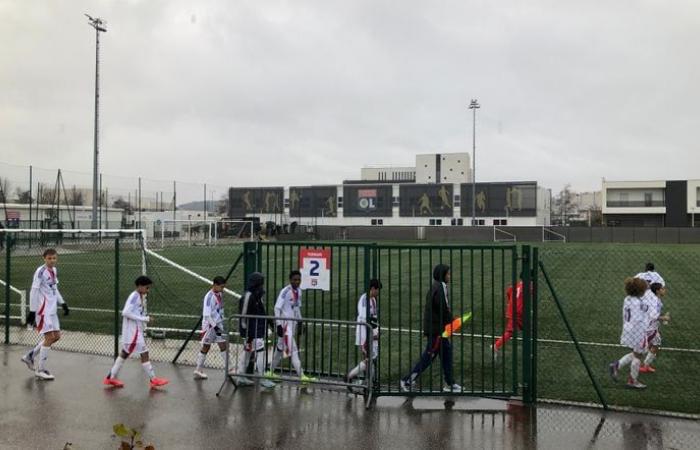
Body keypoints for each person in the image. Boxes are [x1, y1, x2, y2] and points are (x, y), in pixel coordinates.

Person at [400, 264, 461, 393]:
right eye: (448, 274)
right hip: (436, 330)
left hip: (438, 329)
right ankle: (407, 380)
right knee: (428, 357)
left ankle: (450, 383)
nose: (449, 276)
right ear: (442, 275)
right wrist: (453, 320)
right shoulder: (439, 288)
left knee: (446, 354)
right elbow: (442, 309)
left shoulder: (438, 287)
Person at [103, 276, 169, 389]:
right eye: (147, 288)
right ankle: (153, 379)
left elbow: (134, 313)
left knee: (124, 354)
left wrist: (144, 318)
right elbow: (125, 312)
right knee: (144, 353)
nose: (148, 290)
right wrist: (145, 319)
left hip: (133, 333)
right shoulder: (134, 297)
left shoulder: (138, 296)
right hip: (133, 334)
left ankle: (110, 378)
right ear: (140, 286)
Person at [21, 248, 70, 380]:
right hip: (43, 311)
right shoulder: (40, 272)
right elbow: (33, 291)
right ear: (44, 258)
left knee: (56, 336)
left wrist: (63, 303)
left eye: (54, 258)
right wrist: (32, 311)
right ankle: (40, 369)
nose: (52, 260)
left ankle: (29, 356)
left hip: (52, 310)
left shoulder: (53, 270)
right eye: (49, 258)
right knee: (49, 338)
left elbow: (54, 288)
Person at [267, 270, 314, 384]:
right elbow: (276, 308)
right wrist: (278, 325)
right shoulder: (285, 292)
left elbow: (297, 308)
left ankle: (270, 372)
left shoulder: (299, 291)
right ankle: (301, 376)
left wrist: (301, 321)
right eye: (295, 280)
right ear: (290, 280)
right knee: (293, 350)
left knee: (279, 350)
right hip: (285, 326)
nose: (297, 282)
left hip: (292, 325)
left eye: (299, 280)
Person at [608, 277, 649, 389]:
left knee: (636, 352)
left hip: (628, 330)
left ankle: (616, 365)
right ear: (640, 291)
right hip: (638, 331)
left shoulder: (628, 299)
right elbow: (640, 317)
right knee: (638, 355)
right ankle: (632, 380)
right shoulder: (638, 303)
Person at [236, 272, 275, 388]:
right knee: (260, 352)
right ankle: (262, 378)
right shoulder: (248, 296)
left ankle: (241, 376)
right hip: (251, 331)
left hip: (256, 329)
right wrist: (245, 332)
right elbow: (243, 315)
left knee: (247, 353)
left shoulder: (257, 295)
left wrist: (269, 322)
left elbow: (262, 311)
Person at [346, 279, 381, 390]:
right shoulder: (364, 300)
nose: (378, 292)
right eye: (377, 290)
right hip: (365, 334)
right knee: (368, 359)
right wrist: (371, 334)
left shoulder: (373, 300)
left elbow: (374, 318)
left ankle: (369, 382)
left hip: (372, 333)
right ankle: (350, 376)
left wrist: (377, 331)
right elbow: (363, 318)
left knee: (372, 359)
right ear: (372, 288)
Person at [193, 276, 228, 380]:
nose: (222, 289)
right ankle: (198, 370)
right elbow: (207, 315)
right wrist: (215, 327)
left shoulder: (219, 293)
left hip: (218, 324)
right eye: (221, 287)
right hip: (210, 326)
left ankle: (229, 369)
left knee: (223, 345)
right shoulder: (209, 297)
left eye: (223, 287)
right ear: (215, 285)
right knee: (206, 347)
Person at [493, 275, 529, 361]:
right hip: (518, 313)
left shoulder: (516, 285)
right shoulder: (528, 286)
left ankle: (496, 345)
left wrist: (511, 302)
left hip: (513, 311)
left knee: (523, 328)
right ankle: (496, 345)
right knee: (511, 331)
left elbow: (509, 291)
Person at [640, 282, 670, 373]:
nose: (664, 290)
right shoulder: (655, 301)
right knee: (641, 350)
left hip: (653, 328)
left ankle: (646, 365)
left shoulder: (656, 299)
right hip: (649, 329)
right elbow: (653, 316)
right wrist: (664, 318)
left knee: (656, 345)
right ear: (657, 291)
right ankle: (620, 364)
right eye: (662, 289)